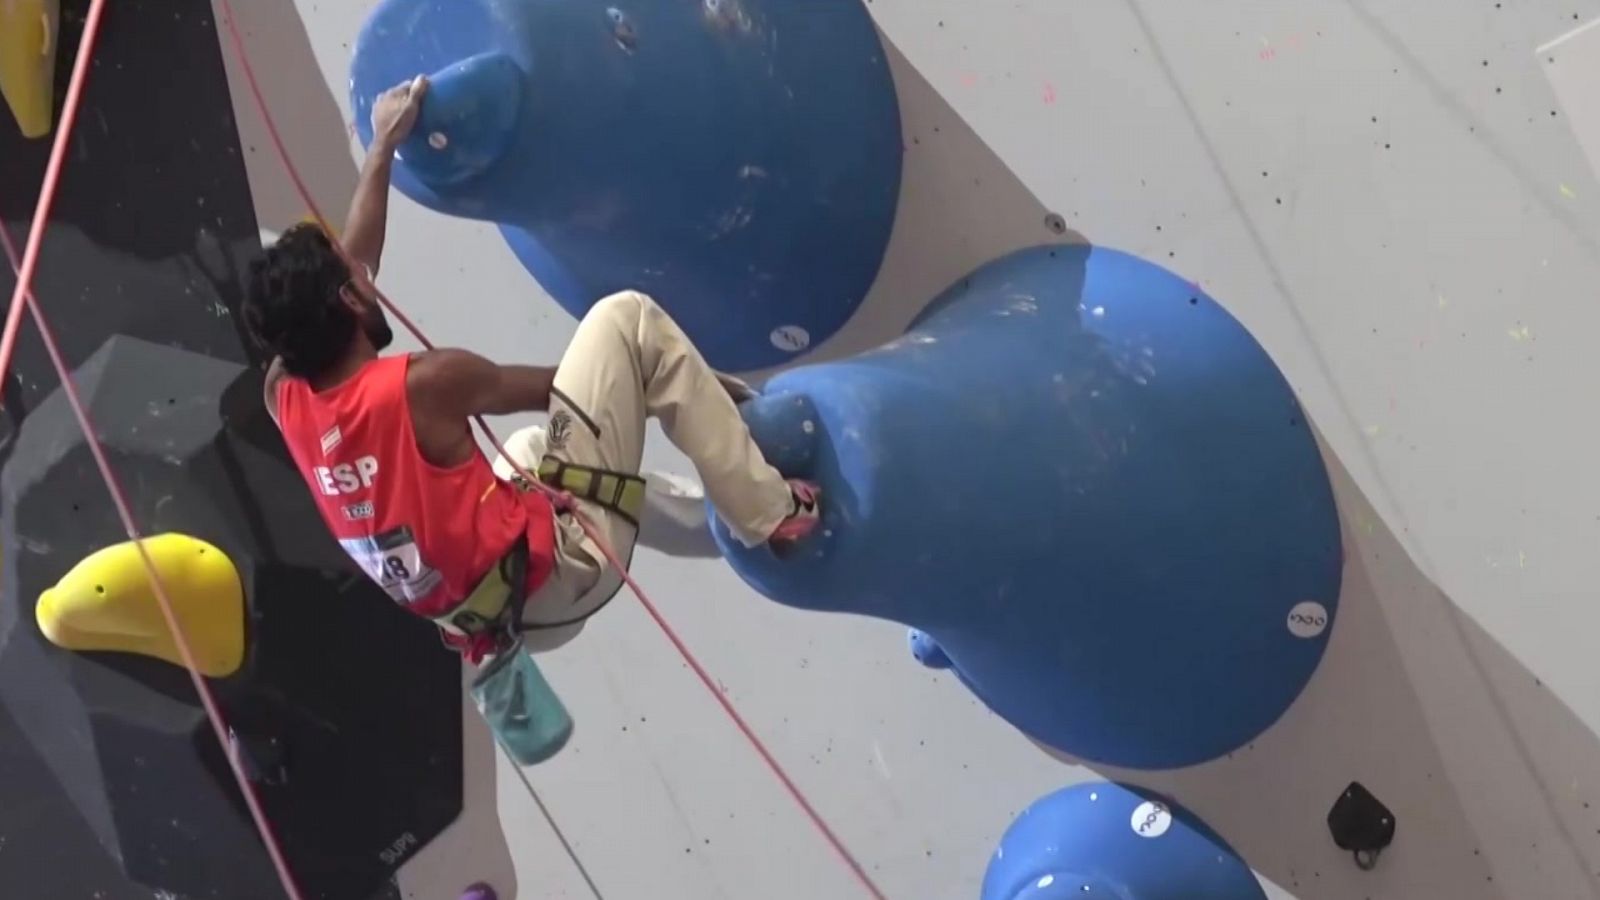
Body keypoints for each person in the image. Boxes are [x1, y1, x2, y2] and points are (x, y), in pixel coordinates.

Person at [242, 74, 821, 666]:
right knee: (628, 323)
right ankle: (771, 513)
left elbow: (352, 266)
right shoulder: (423, 385)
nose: (367, 274)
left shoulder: (283, 395)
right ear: (348, 301)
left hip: (505, 622)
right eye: (355, 278)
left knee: (530, 448)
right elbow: (564, 388)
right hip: (564, 578)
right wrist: (690, 379)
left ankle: (711, 525)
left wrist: (383, 147)